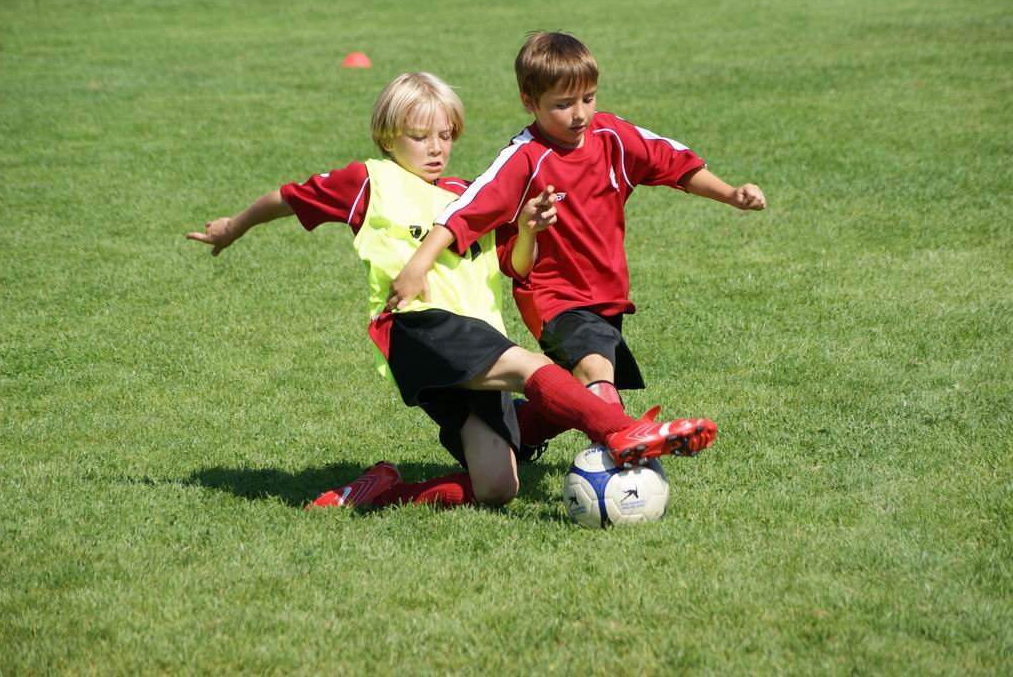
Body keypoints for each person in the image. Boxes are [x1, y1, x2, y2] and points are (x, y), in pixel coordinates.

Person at [187, 72, 717, 510]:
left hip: (477, 343)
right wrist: (233, 226)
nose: (436, 148)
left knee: (498, 488)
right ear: (388, 136)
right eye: (420, 137)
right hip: (417, 327)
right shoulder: (369, 181)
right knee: (533, 367)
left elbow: (519, 266)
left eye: (445, 135)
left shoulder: (472, 195)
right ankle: (620, 431)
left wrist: (529, 228)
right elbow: (285, 197)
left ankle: (382, 492)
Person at [388, 32, 764, 461]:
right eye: (562, 105)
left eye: (588, 98)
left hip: (607, 296)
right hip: (553, 297)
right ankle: (627, 454)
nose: (580, 114)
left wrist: (732, 194)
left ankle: (522, 431)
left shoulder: (613, 138)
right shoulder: (524, 158)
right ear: (530, 101)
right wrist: (418, 264)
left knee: (574, 394)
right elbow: (466, 210)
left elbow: (673, 162)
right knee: (596, 373)